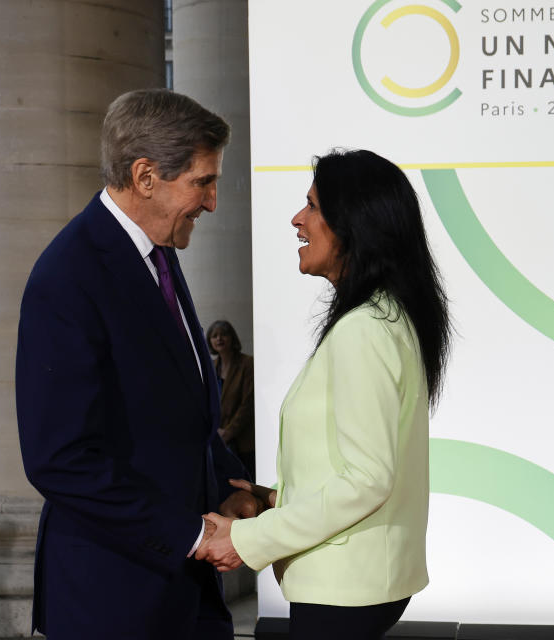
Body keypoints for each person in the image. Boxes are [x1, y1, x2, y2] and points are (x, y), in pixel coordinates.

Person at [16, 88, 262, 640]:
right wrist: (194, 535)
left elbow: (179, 413)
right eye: (203, 182)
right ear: (146, 176)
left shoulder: (159, 253)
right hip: (113, 600)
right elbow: (60, 459)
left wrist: (236, 486)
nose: (213, 202)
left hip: (183, 592)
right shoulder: (68, 276)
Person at [197, 149, 452, 639]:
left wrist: (249, 539)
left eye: (312, 205)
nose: (298, 219)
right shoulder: (387, 317)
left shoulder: (365, 330)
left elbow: (368, 479)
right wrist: (280, 498)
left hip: (344, 588)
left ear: (354, 224)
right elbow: (365, 466)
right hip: (360, 581)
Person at [207, 319, 256, 476]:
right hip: (219, 439)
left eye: (223, 334)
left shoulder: (247, 363)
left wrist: (228, 433)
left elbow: (248, 404)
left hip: (242, 440)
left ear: (232, 338)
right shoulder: (211, 365)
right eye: (214, 336)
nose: (219, 338)